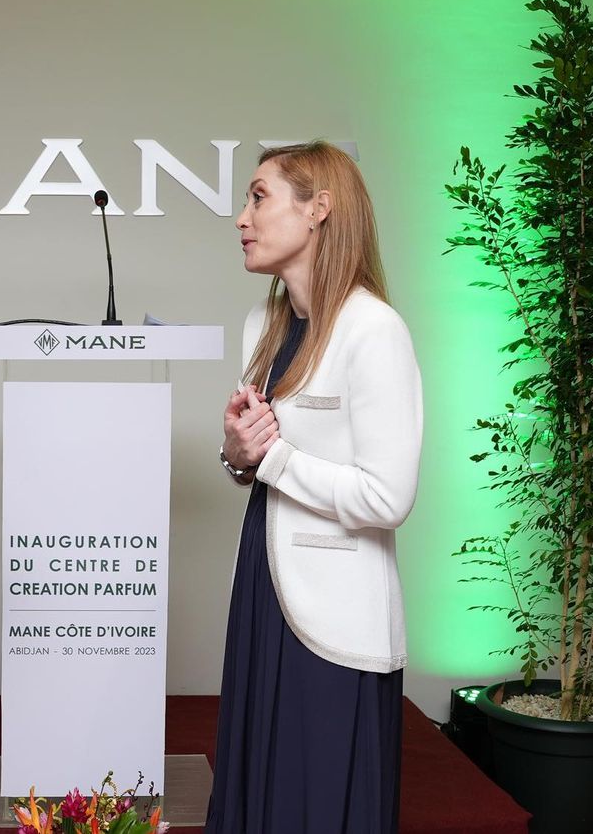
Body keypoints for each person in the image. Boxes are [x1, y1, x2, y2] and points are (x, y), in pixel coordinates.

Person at [207, 141, 422, 834]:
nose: (242, 217)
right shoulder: (263, 325)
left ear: (319, 208)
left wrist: (270, 460)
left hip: (336, 620)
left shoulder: (374, 330)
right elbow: (254, 453)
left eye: (259, 197)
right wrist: (238, 455)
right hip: (266, 594)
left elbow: (388, 497)